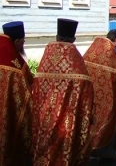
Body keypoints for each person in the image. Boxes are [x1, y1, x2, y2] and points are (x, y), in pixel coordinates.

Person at [32, 18, 94, 165]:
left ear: (57, 37)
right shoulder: (75, 60)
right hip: (68, 118)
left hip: (45, 115)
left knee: (45, 143)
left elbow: (36, 85)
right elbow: (86, 88)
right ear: (73, 39)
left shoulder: (47, 56)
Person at [83, 29, 116, 161]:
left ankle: (87, 149)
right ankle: (102, 151)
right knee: (107, 120)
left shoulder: (92, 49)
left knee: (89, 121)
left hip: (89, 95)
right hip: (106, 97)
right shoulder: (110, 52)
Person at [0, 25, 33, 166]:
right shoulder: (16, 64)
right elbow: (30, 87)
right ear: (17, 41)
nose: (23, 45)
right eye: (23, 41)